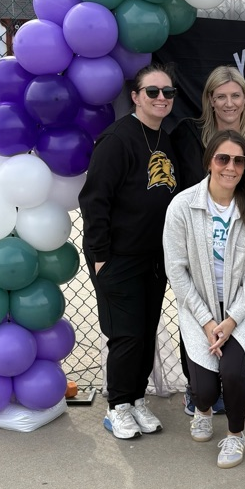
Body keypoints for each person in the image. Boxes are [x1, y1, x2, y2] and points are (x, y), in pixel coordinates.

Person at [79, 62, 178, 440]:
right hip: (118, 258)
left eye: (167, 92)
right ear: (135, 97)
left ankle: (135, 398)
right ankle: (117, 407)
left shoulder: (163, 139)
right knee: (126, 335)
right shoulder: (117, 139)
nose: (161, 98)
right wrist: (101, 256)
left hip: (154, 259)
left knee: (146, 331)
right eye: (152, 91)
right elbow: (94, 200)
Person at [163, 130, 245, 468]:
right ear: (209, 161)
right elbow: (177, 271)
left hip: (240, 310)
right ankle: (203, 409)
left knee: (234, 372)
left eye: (239, 160)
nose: (231, 167)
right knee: (205, 389)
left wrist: (231, 320)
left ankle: (236, 436)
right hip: (199, 311)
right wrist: (209, 321)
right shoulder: (183, 205)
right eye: (223, 158)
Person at [169, 66, 245, 416]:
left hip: (238, 258)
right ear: (210, 100)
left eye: (236, 95)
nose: (229, 103)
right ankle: (197, 388)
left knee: (233, 338)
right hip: (195, 248)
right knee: (196, 316)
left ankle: (226, 399)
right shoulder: (187, 134)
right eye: (221, 96)